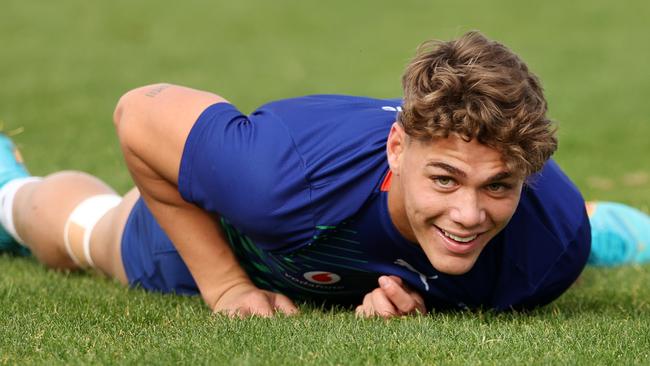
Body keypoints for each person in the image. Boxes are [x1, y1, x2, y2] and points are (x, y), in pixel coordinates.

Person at [0, 31, 648, 318]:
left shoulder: (550, 242)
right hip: (231, 240)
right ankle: (8, 190)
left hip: (365, 252)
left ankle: (610, 229)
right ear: (398, 148)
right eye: (445, 179)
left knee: (516, 232)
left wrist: (423, 298)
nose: (470, 212)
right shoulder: (277, 181)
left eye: (499, 185)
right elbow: (138, 114)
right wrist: (225, 289)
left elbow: (484, 226)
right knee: (83, 236)